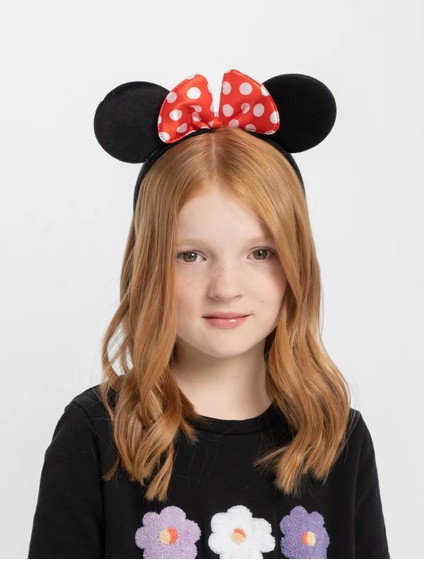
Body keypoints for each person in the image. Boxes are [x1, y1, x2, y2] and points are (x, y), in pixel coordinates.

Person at [28, 69, 389, 559]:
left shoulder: (337, 436)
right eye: (191, 256)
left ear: (297, 264)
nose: (226, 288)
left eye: (260, 253)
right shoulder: (95, 433)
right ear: (148, 267)